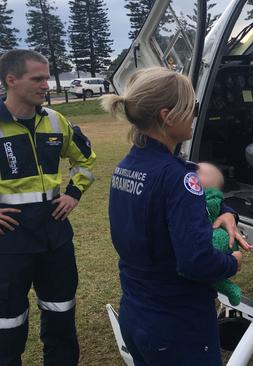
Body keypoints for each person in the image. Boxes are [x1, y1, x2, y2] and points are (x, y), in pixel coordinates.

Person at [102, 67, 251, 366]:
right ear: (166, 116)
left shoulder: (127, 167)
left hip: (137, 313)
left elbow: (167, 207)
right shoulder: (178, 180)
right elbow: (197, 261)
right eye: (192, 108)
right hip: (178, 324)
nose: (195, 115)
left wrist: (226, 212)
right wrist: (230, 264)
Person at [0, 49, 96, 366]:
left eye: (47, 77)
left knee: (61, 315)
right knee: (7, 324)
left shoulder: (56, 120)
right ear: (11, 80)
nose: (47, 85)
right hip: (9, 241)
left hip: (55, 237)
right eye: (38, 78)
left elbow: (85, 163)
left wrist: (73, 193)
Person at [197, 162, 242, 306]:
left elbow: (221, 206)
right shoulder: (186, 199)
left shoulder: (213, 200)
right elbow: (195, 262)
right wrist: (232, 263)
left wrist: (230, 214)